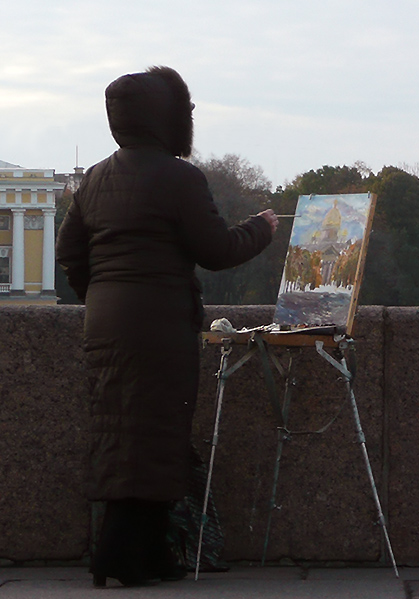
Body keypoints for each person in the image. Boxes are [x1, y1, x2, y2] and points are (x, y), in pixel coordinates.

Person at [56, 66, 278, 587]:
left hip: (105, 321)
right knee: (157, 433)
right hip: (159, 323)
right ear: (165, 118)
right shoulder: (178, 177)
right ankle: (128, 558)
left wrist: (102, 295)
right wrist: (261, 230)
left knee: (118, 430)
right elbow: (216, 250)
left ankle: (131, 554)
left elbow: (70, 253)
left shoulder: (94, 177)